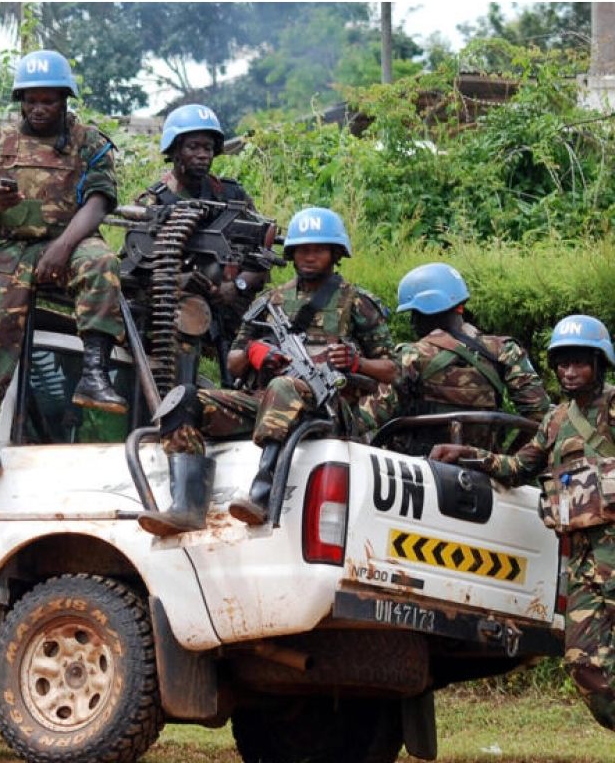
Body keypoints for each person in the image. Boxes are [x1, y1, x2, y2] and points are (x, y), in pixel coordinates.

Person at [138, 207, 395, 537]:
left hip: (325, 409)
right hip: (263, 404)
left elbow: (392, 370)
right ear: (291, 254)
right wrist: (254, 353)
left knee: (284, 386)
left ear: (335, 254)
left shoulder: (356, 302)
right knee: (183, 400)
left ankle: (261, 494)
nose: (309, 256)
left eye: (318, 249)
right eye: (302, 249)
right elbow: (233, 362)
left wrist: (357, 363)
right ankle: (186, 507)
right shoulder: (271, 301)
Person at [429, 314, 615, 730]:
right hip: (584, 564)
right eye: (562, 363)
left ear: (599, 364)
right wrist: (470, 456)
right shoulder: (555, 420)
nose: (569, 372)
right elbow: (518, 468)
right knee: (584, 664)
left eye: (579, 363)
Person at [0, 49, 127, 479]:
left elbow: (100, 201)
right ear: (21, 101)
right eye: (31, 100)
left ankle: (94, 375)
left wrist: (63, 248)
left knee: (103, 263)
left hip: (71, 240)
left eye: (48, 100)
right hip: (10, 246)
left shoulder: (89, 142)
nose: (39, 108)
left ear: (65, 100)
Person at [126, 104, 273, 388]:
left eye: (208, 147)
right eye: (193, 147)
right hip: (173, 305)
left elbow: (264, 255)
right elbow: (133, 269)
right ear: (175, 149)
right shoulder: (154, 202)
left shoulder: (231, 196)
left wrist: (236, 286)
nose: (203, 154)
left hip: (232, 304)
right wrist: (178, 280)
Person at [358, 262, 550, 453]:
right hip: (483, 465)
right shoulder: (505, 351)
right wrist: (508, 459)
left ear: (426, 310)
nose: (412, 321)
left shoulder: (411, 356)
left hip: (421, 466)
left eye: (414, 313)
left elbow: (368, 416)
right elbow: (540, 414)